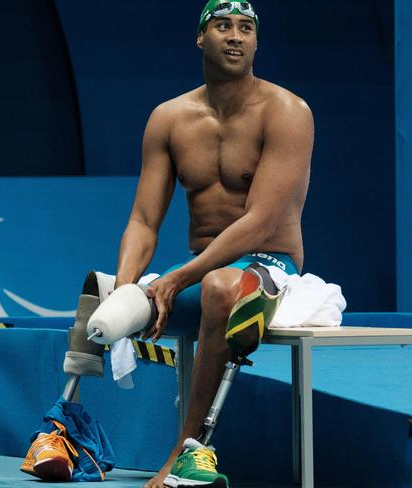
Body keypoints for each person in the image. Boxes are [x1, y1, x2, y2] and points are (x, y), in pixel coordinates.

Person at [111, 1, 314, 487]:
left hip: (270, 265)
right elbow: (143, 220)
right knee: (98, 294)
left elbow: (261, 222)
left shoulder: (288, 112)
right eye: (223, 26)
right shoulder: (169, 118)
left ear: (257, 42)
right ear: (201, 38)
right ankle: (66, 428)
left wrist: (180, 277)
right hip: (200, 267)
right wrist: (124, 289)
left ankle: (188, 452)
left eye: (246, 28)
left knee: (222, 285)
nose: (236, 36)